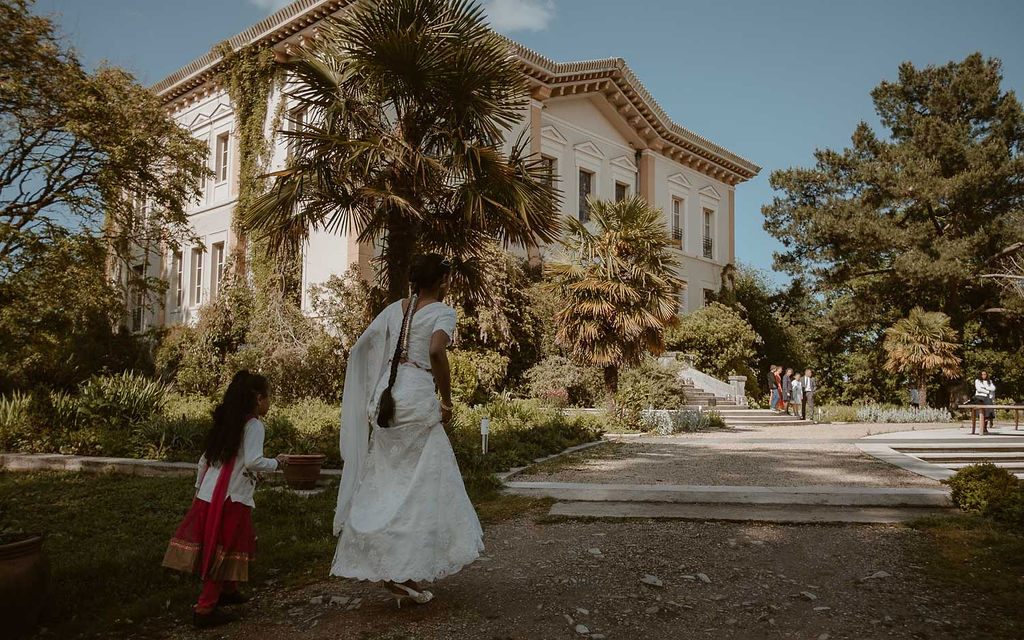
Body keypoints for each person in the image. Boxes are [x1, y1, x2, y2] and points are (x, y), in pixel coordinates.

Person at [331, 254, 483, 606]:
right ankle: (403, 569)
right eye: (447, 279)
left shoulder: (397, 309)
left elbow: (363, 347)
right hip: (415, 398)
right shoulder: (443, 312)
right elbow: (435, 352)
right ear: (442, 280)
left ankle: (396, 569)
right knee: (421, 487)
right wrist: (446, 400)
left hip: (387, 397)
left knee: (387, 484)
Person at [162, 371, 286, 629]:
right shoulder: (254, 425)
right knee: (224, 546)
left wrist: (199, 490)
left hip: (210, 493)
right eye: (268, 397)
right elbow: (252, 460)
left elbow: (204, 460)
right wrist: (277, 463)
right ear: (258, 398)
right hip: (231, 497)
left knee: (234, 537)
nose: (269, 403)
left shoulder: (227, 423)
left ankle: (229, 590)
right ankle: (205, 609)